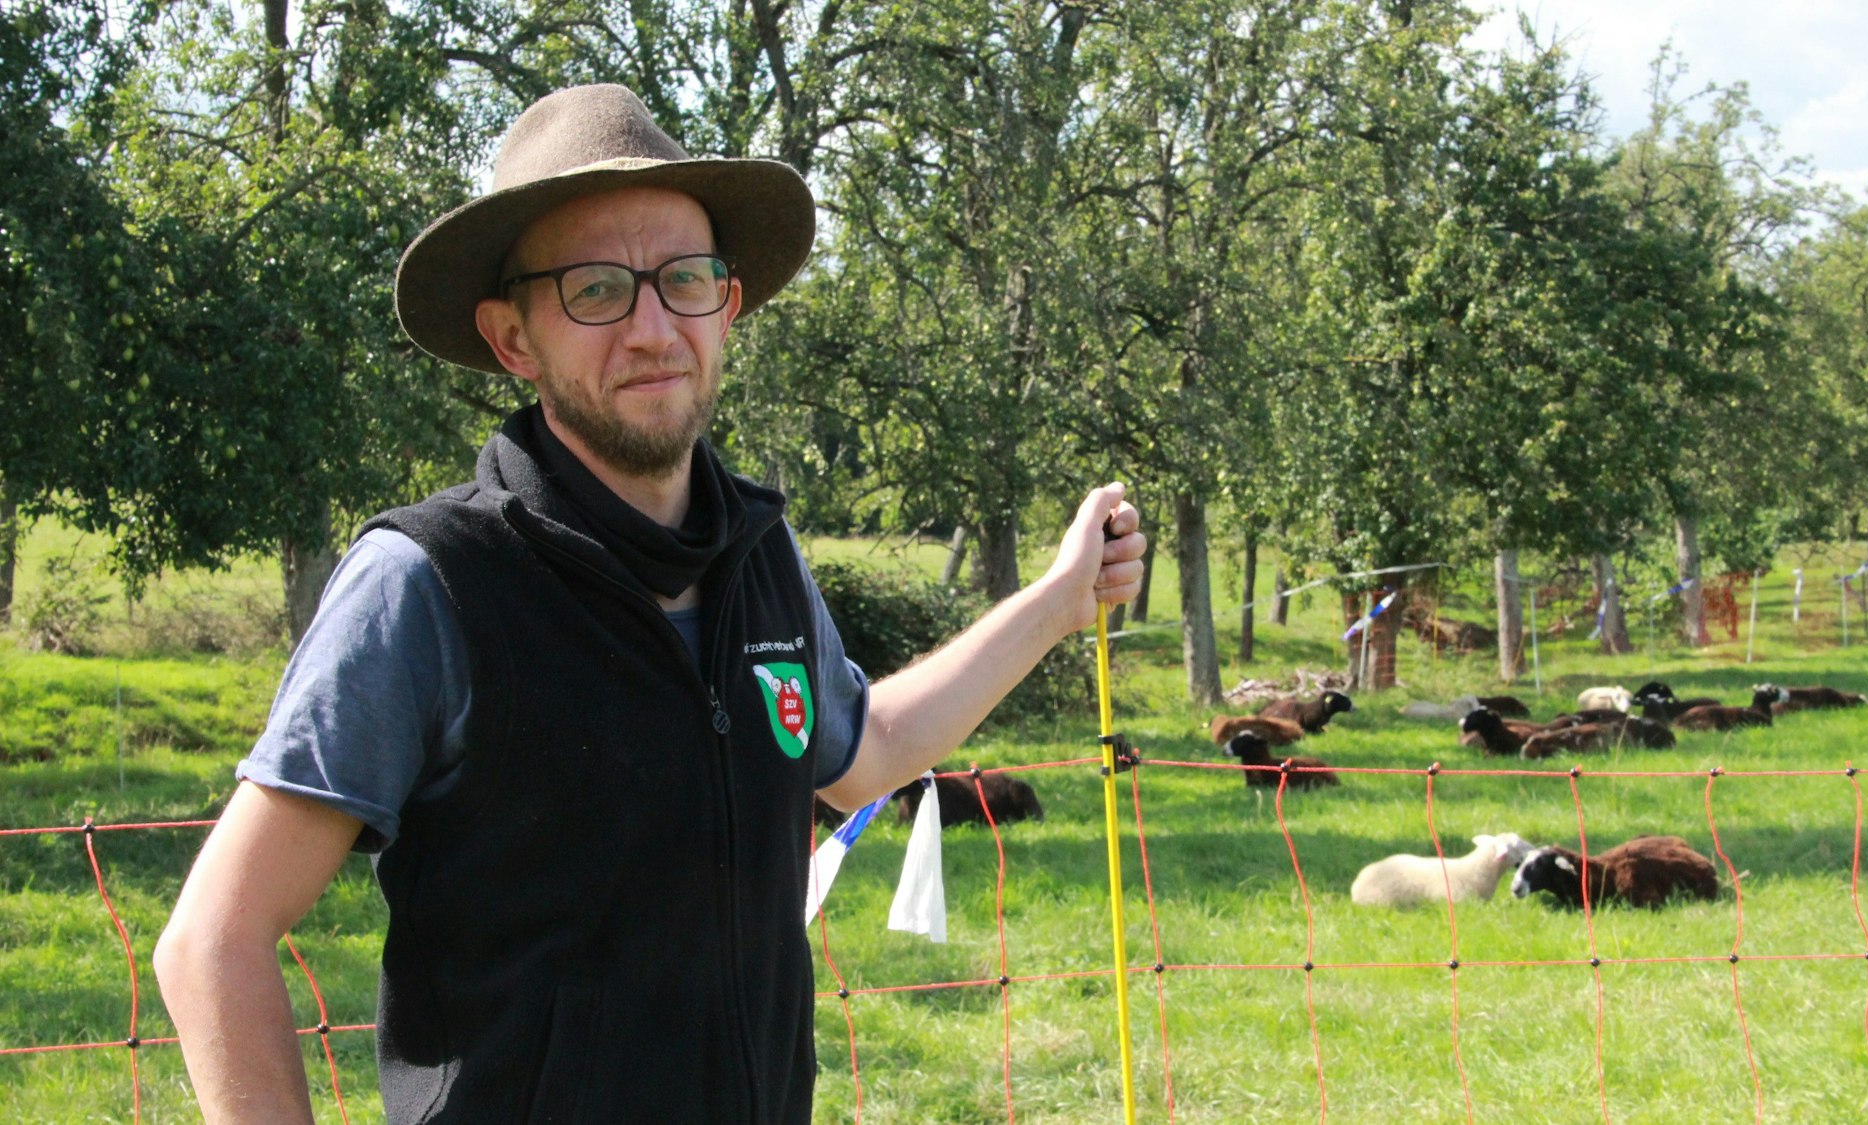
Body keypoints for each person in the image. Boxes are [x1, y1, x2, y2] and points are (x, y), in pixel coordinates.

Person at [152, 84, 1145, 1124]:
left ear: (726, 305)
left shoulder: (756, 557)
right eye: (594, 289)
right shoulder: (429, 584)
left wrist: (1057, 600)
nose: (651, 327)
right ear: (512, 338)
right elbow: (212, 942)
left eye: (683, 279)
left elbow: (867, 753)